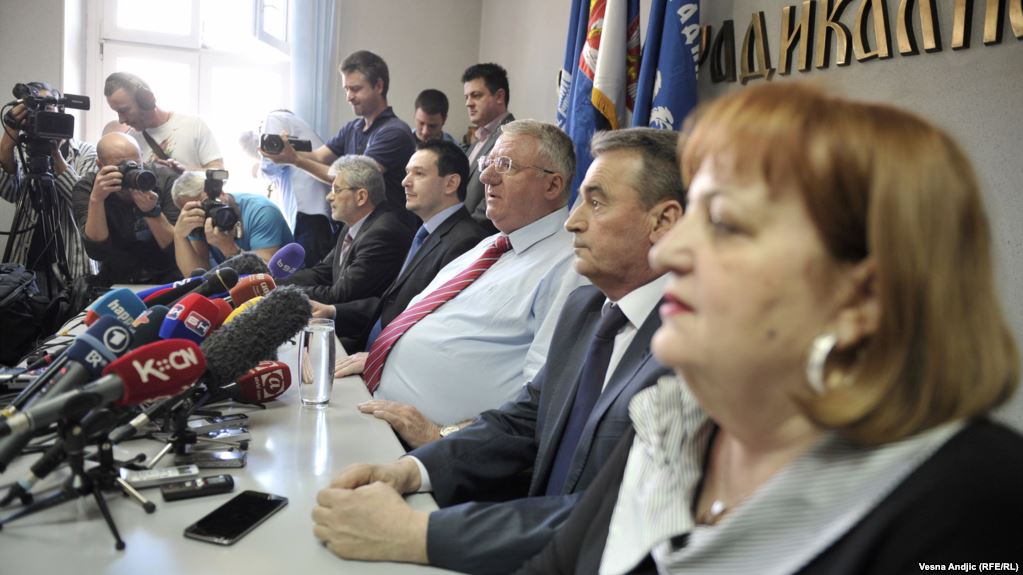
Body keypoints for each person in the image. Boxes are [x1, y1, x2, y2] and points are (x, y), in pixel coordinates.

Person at [516, 83, 1023, 574]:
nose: (670, 252)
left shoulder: (974, 500)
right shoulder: (674, 424)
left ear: (860, 298)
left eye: (724, 223)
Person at [311, 128, 686, 574]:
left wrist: (418, 533)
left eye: (597, 203)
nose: (572, 222)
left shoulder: (691, 352)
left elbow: (624, 515)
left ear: (663, 222)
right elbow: (524, 420)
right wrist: (411, 470)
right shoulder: (589, 308)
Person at [333, 120, 589, 442]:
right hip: (373, 397)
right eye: (487, 163)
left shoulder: (571, 267)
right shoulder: (489, 246)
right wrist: (384, 356)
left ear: (552, 185)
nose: (486, 177)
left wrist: (440, 435)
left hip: (429, 446)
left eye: (504, 165)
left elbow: (542, 401)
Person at [308, 139, 486, 351]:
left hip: (394, 355)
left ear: (451, 183)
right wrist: (333, 311)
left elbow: (434, 324)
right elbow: (396, 303)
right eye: (407, 172)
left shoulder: (465, 242)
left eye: (419, 173)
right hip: (371, 343)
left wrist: (377, 358)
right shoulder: (427, 233)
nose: (405, 182)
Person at [261, 50, 417, 229]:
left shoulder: (394, 133)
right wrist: (283, 150)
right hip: (357, 229)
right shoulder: (353, 128)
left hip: (387, 231)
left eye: (355, 89)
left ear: (379, 86)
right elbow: (319, 156)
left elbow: (350, 180)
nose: (349, 96)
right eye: (346, 89)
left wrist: (295, 160)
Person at [281, 155, 412, 305]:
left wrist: (283, 292)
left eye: (336, 190)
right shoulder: (352, 225)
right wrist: (273, 283)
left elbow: (340, 296)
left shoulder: (383, 234)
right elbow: (323, 273)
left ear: (361, 197)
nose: (329, 197)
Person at [0, 81, 96, 283]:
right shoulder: (23, 151)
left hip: (72, 264)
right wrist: (8, 139)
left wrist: (55, 153)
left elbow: (84, 203)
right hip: (26, 264)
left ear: (60, 110)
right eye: (35, 109)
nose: (42, 115)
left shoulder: (87, 153)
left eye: (48, 108)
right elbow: (10, 191)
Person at [70, 133, 182, 285]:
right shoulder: (88, 188)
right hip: (117, 280)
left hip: (168, 279)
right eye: (121, 166)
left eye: (136, 164)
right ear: (100, 165)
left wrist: (152, 212)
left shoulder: (166, 179)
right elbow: (97, 252)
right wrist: (97, 200)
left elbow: (178, 250)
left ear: (142, 158)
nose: (130, 171)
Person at [249, 110, 334, 267]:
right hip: (317, 210)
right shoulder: (296, 123)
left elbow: (271, 160)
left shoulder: (272, 118)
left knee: (307, 271)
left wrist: (259, 171)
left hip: (306, 211)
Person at [170, 171, 292, 275]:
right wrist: (179, 235)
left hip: (285, 279)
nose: (207, 214)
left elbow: (267, 271)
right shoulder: (196, 219)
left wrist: (229, 248)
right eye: (197, 209)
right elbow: (196, 274)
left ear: (221, 192)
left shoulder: (260, 211)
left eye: (208, 203)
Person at [103, 72, 223, 170]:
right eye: (117, 112)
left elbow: (220, 173)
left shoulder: (194, 126)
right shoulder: (130, 141)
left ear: (146, 101)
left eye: (124, 110)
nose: (121, 120)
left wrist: (186, 172)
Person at [461, 63, 514, 234]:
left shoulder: (511, 137)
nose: (468, 103)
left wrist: (459, 234)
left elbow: (497, 198)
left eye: (476, 95)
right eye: (466, 97)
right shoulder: (479, 137)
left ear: (499, 96)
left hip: (476, 237)